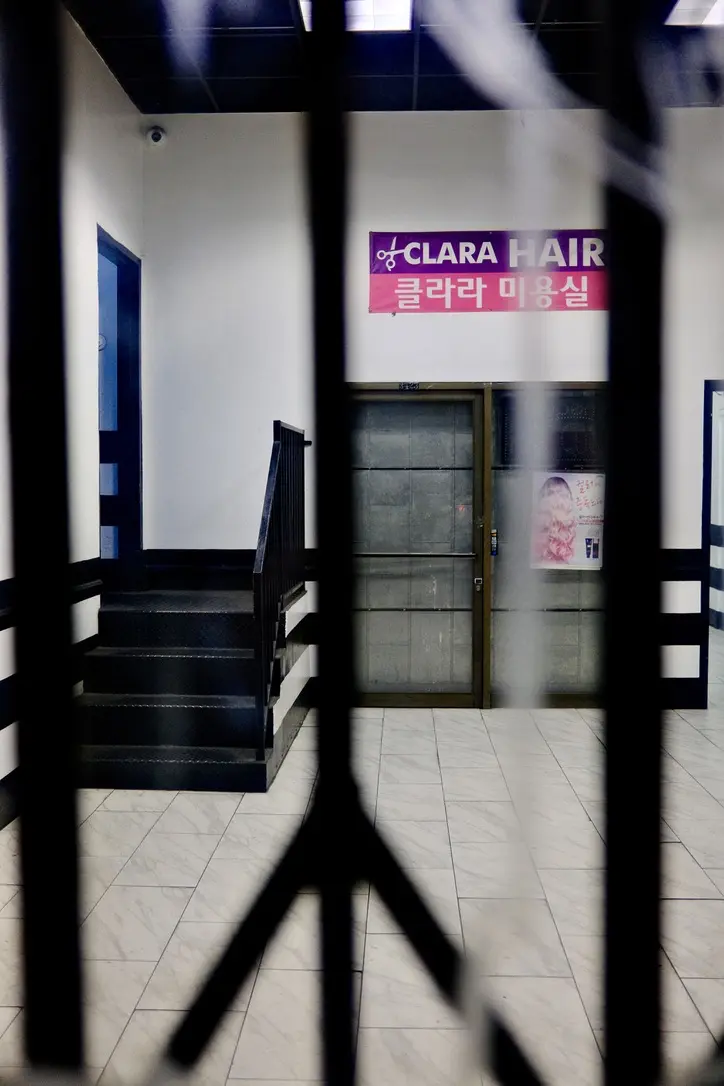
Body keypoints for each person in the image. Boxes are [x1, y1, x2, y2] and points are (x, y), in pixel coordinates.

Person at [532, 475, 576, 564]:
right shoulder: (537, 524)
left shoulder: (569, 524)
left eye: (560, 493)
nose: (556, 498)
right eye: (551, 493)